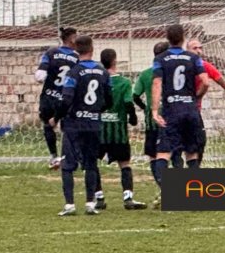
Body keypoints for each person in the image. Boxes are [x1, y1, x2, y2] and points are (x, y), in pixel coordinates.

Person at [51, 35, 111, 216]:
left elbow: (67, 98)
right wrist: (96, 111)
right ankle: (90, 204)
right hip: (93, 124)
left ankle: (70, 205)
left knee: (68, 164)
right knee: (91, 164)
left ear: (76, 50)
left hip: (74, 124)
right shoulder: (103, 72)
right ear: (92, 48)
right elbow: (109, 99)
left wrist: (57, 117)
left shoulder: (74, 72)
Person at [151, 24, 210, 186]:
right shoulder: (194, 58)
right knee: (191, 154)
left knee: (163, 152)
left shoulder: (160, 59)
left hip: (172, 110)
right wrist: (196, 97)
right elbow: (205, 82)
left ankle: (167, 189)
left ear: (168, 39)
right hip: (190, 110)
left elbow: (157, 84)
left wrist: (155, 110)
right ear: (183, 38)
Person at [186, 38, 225, 167]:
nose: (199, 51)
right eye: (195, 48)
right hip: (178, 109)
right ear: (187, 50)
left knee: (200, 142)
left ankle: (193, 169)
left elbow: (222, 81)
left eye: (200, 48)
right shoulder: (181, 65)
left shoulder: (204, 65)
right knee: (178, 146)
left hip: (193, 111)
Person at [96, 48, 146, 210]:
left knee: (93, 163)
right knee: (124, 164)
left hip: (99, 131)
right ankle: (128, 198)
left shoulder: (97, 81)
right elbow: (127, 102)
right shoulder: (124, 82)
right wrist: (133, 118)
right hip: (118, 133)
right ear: (115, 61)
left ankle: (99, 198)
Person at [34, 27, 79, 169]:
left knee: (48, 126)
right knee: (67, 128)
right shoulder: (77, 57)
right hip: (66, 99)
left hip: (49, 97)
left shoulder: (51, 52)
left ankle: (54, 157)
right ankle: (68, 158)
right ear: (72, 39)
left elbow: (39, 76)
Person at [132, 41, 170, 182]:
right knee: (175, 153)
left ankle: (162, 185)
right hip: (171, 116)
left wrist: (145, 107)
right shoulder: (171, 72)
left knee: (154, 154)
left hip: (152, 119)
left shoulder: (146, 74)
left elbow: (135, 96)